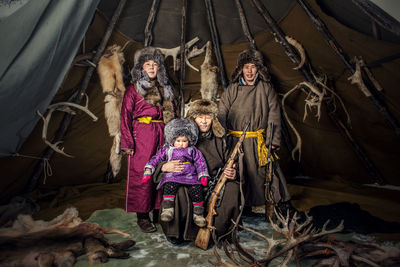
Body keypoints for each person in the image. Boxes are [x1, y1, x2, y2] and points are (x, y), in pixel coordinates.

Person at [155, 99, 240, 244]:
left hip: (214, 182)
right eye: (200, 117)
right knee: (177, 190)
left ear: (213, 120)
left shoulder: (221, 141)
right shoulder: (180, 137)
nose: (204, 122)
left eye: (208, 117)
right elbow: (160, 157)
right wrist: (164, 166)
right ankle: (178, 234)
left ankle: (218, 233)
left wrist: (232, 172)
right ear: (193, 118)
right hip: (186, 179)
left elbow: (231, 162)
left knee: (233, 189)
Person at [217, 49, 291, 214]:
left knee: (264, 172)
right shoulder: (232, 89)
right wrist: (219, 136)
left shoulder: (266, 89)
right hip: (235, 142)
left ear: (258, 69)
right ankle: (244, 205)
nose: (249, 71)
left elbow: (274, 116)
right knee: (240, 172)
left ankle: (279, 202)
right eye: (246, 67)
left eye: (252, 67)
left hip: (258, 141)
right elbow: (222, 113)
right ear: (241, 70)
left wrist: (273, 141)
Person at [120, 47, 175, 233]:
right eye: (148, 64)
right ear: (141, 68)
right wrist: (127, 143)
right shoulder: (133, 90)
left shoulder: (165, 88)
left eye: (155, 64)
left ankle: (158, 213)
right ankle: (142, 217)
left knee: (162, 172)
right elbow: (125, 116)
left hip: (163, 132)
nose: (152, 67)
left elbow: (172, 114)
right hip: (142, 134)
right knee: (143, 174)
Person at [143, 118, 210, 227]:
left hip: (190, 175)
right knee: (169, 186)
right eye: (178, 141)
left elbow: (200, 162)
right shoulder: (167, 149)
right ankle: (168, 209)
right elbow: (156, 159)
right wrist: (148, 170)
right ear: (172, 140)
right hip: (172, 175)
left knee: (196, 189)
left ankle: (198, 214)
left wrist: (202, 175)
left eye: (184, 141)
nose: (181, 144)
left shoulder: (192, 150)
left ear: (190, 140)